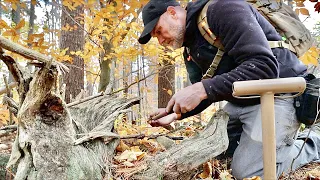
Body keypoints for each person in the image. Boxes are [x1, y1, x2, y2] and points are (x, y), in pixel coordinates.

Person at [138, 0, 320, 179]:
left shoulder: (222, 9)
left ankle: (314, 144)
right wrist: (174, 113)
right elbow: (206, 93)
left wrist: (201, 89)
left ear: (172, 12)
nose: (161, 40)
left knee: (249, 172)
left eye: (159, 31)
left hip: (279, 94)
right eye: (156, 37)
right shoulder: (191, 47)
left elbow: (265, 67)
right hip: (243, 101)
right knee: (212, 155)